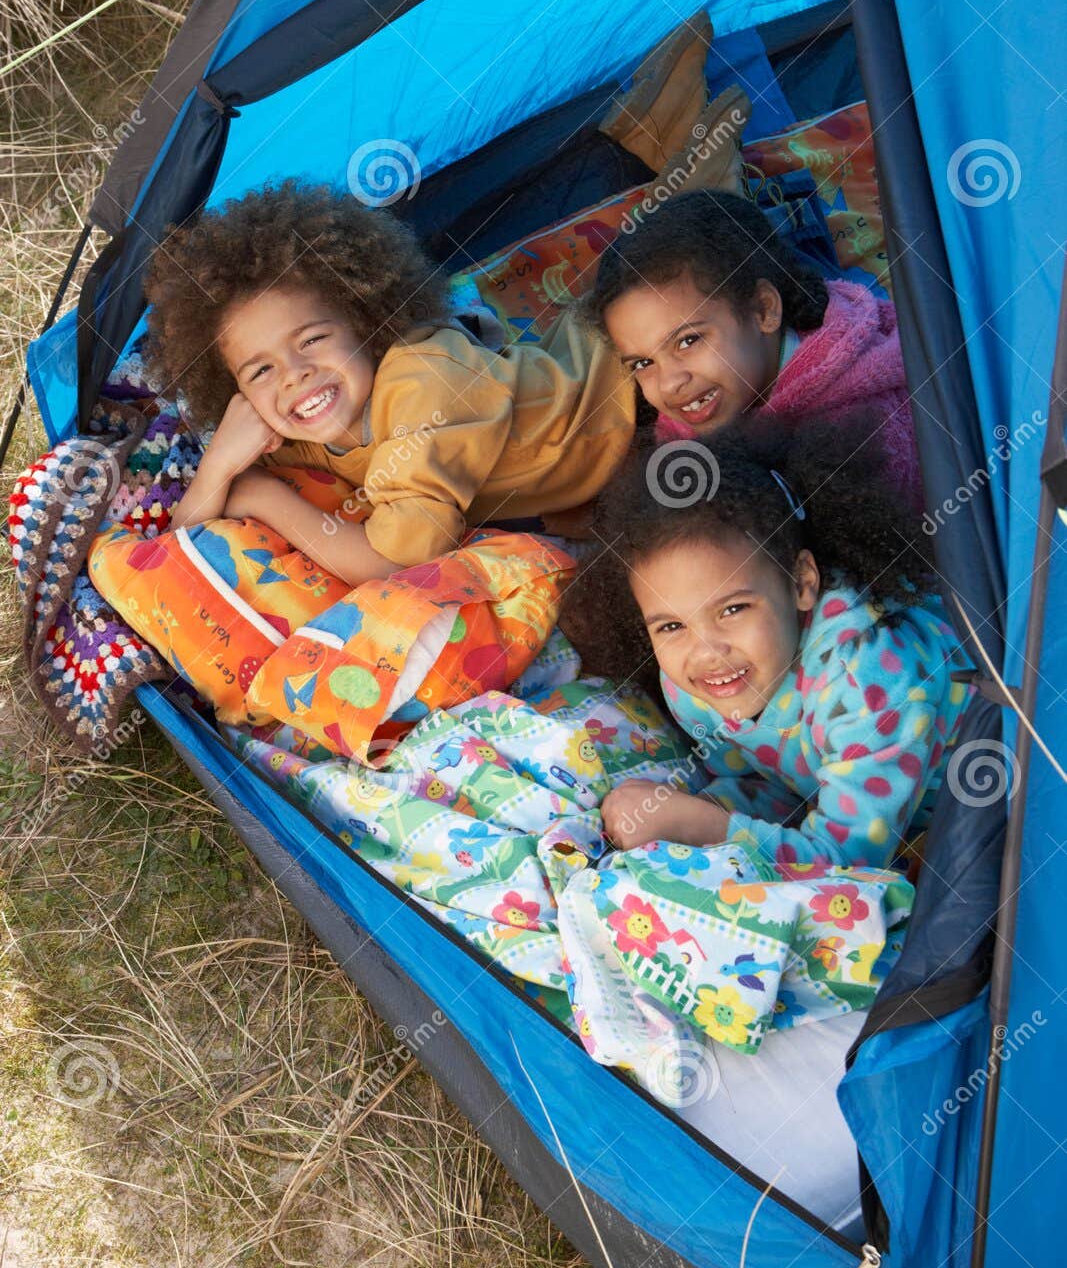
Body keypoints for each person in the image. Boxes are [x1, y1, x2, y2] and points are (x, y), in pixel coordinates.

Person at [147, 180, 636, 587]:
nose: (294, 373)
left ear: (366, 322)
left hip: (632, 384)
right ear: (235, 391)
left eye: (312, 339)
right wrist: (217, 468)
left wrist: (258, 495)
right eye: (260, 371)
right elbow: (176, 554)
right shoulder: (294, 433)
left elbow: (399, 565)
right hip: (591, 478)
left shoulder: (423, 380)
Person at [564, 417, 970, 872]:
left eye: (733, 610)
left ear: (801, 583)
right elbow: (772, 784)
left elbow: (848, 862)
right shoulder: (690, 683)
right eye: (671, 627)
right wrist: (687, 811)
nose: (707, 652)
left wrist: (705, 827)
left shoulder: (871, 682)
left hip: (974, 801)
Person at [583, 189, 922, 511]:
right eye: (643, 362)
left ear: (763, 310)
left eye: (688, 341)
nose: (670, 382)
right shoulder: (692, 425)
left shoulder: (870, 428)